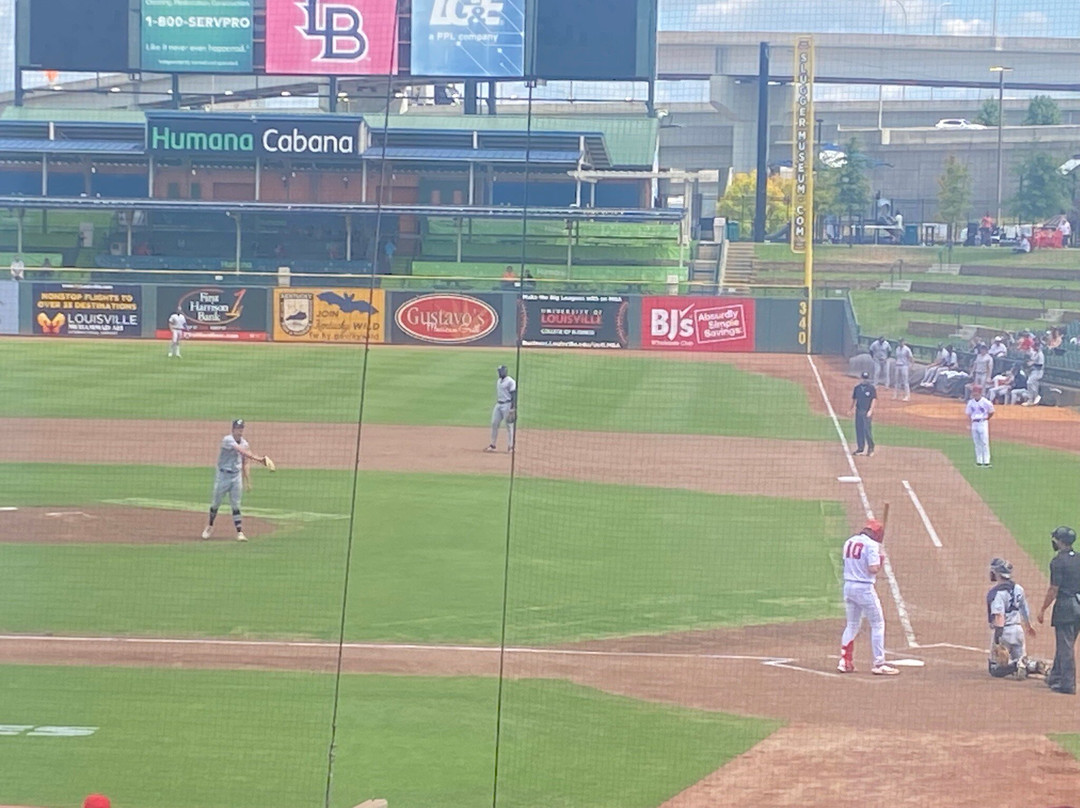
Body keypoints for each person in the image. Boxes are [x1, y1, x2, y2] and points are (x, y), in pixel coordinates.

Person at [837, 519, 899, 676]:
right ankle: (879, 663)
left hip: (848, 587)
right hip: (864, 589)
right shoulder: (871, 545)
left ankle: (845, 662)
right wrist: (880, 560)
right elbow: (873, 569)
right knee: (878, 623)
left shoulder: (849, 541)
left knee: (851, 624)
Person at [202, 419, 272, 542]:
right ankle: (210, 526)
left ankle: (239, 532)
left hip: (235, 477)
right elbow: (240, 451)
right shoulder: (227, 440)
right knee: (215, 503)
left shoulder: (245, 443)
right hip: (223, 475)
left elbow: (245, 463)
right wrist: (260, 459)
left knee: (236, 505)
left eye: (241, 429)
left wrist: (248, 481)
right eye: (238, 429)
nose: (240, 431)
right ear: (233, 429)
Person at [1038, 526, 1080, 694]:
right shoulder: (1079, 558)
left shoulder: (1057, 562)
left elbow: (1054, 589)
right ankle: (1055, 676)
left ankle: (1067, 684)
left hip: (1066, 607)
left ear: (1060, 542)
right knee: (1065, 643)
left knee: (1065, 646)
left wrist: (1042, 609)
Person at [986, 557, 1036, 679]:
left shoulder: (996, 593)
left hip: (1004, 632)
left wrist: (997, 638)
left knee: (994, 670)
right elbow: (1024, 609)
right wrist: (1028, 626)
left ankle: (1017, 665)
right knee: (1021, 659)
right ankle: (1034, 665)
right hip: (1018, 631)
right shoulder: (1019, 588)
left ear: (997, 573)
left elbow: (999, 617)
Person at [485, 365, 517, 453]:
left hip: (507, 404)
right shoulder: (499, 381)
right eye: (499, 371)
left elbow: (514, 394)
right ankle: (493, 445)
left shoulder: (510, 381)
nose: (499, 373)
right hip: (499, 404)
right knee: (494, 423)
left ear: (505, 372)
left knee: (509, 426)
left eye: (500, 371)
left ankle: (511, 447)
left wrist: (513, 407)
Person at [965, 384, 994, 467]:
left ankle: (986, 461)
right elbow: (968, 413)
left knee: (984, 442)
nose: (974, 394)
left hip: (983, 422)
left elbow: (991, 411)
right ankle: (979, 461)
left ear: (980, 393)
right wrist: (970, 423)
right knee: (977, 443)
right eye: (974, 392)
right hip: (974, 423)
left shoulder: (986, 402)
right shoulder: (970, 402)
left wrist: (986, 419)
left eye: (976, 392)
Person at [850, 371, 876, 457]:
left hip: (866, 411)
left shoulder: (871, 388)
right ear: (861, 378)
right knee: (859, 430)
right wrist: (851, 409)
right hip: (859, 411)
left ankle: (871, 448)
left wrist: (870, 411)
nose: (864, 380)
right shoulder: (857, 388)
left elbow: (873, 400)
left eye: (866, 378)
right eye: (863, 378)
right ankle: (860, 448)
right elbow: (854, 399)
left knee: (867, 430)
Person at [1022, 338, 1045, 406]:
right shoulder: (1035, 353)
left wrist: (1032, 364)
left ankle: (1036, 396)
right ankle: (1031, 400)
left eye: (1035, 346)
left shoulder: (1040, 354)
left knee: (1029, 382)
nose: (1034, 347)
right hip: (1033, 371)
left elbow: (1040, 365)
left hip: (1038, 372)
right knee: (1034, 384)